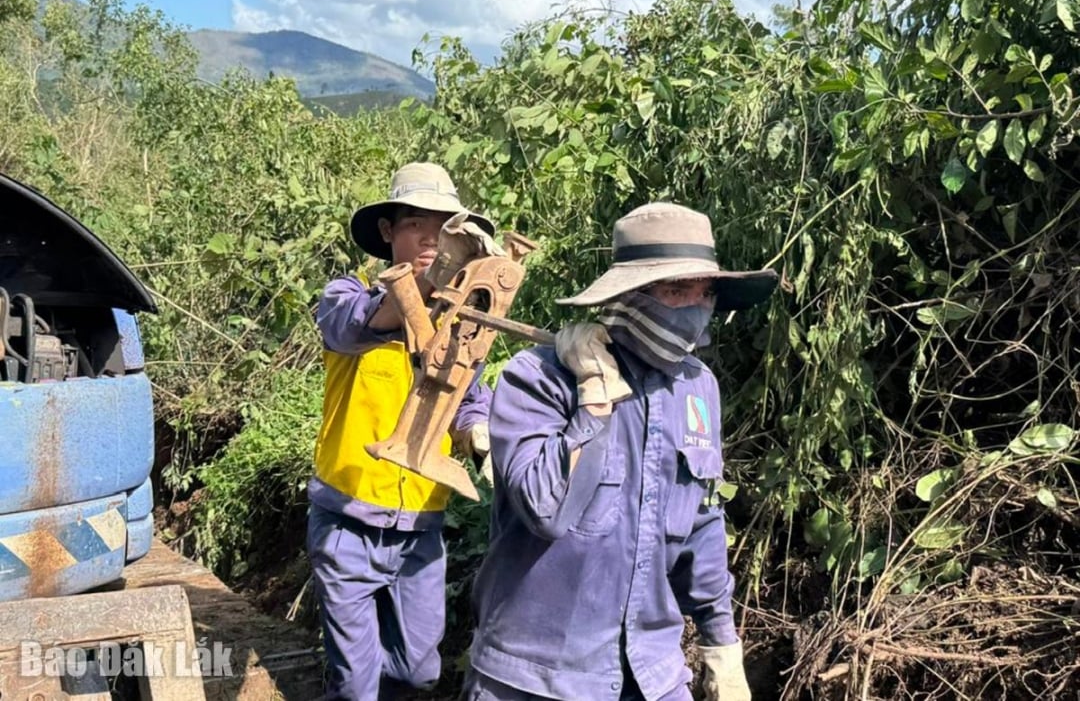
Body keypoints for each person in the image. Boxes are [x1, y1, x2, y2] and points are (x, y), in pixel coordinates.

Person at [464, 202, 778, 700]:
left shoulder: (698, 388)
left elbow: (701, 521)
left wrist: (722, 645)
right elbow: (546, 510)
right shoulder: (540, 378)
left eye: (706, 291)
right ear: (631, 294)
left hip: (652, 674)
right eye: (677, 290)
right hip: (536, 676)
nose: (696, 307)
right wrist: (594, 396)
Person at [307, 162, 496, 700]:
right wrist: (431, 280)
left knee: (418, 672)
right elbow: (360, 325)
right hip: (348, 522)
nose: (431, 240)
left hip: (420, 527)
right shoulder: (348, 296)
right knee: (355, 685)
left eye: (443, 229)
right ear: (388, 231)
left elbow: (467, 396)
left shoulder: (458, 323)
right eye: (416, 224)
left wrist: (477, 431)